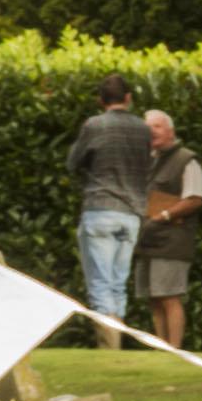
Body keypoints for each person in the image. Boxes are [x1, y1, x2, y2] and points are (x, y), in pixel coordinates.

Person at [67, 77, 149, 328]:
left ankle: (108, 348)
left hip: (100, 209)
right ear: (128, 98)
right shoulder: (143, 129)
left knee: (100, 284)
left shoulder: (95, 125)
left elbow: (73, 163)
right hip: (132, 213)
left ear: (100, 100)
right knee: (118, 284)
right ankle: (117, 347)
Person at [136, 106, 202, 351]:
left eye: (156, 126)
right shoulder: (149, 160)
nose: (151, 132)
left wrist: (164, 215)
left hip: (173, 240)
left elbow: (196, 198)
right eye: (147, 127)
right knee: (154, 298)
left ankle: (175, 350)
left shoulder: (187, 160)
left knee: (169, 296)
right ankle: (162, 349)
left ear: (170, 131)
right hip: (150, 239)